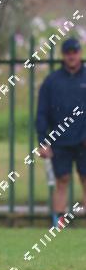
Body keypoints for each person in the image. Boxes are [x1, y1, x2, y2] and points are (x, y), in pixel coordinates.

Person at [36, 37, 86, 228]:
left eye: (75, 52)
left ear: (80, 53)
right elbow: (42, 113)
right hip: (60, 141)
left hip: (83, 140)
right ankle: (59, 223)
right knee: (62, 180)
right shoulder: (52, 81)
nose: (71, 56)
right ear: (63, 55)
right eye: (68, 53)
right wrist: (43, 141)